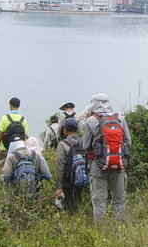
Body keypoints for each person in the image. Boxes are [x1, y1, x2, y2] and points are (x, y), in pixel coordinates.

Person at [80, 94, 132, 224]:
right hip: (119, 166)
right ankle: (118, 227)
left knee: (99, 200)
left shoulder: (90, 121)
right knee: (119, 199)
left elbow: (85, 146)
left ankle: (101, 230)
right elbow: (128, 142)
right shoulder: (120, 119)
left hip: (97, 167)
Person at [55, 117, 86, 214]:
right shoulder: (82, 142)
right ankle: (80, 216)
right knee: (79, 199)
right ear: (77, 129)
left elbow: (60, 165)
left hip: (67, 180)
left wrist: (59, 186)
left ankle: (71, 217)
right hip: (81, 176)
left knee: (69, 204)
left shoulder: (62, 144)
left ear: (65, 130)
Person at [0, 97, 28, 163]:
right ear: (18, 106)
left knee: (1, 164)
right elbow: (25, 136)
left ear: (10, 105)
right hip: (18, 149)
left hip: (5, 148)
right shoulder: (23, 119)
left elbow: (0, 134)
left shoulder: (5, 118)